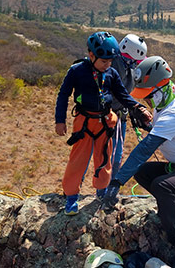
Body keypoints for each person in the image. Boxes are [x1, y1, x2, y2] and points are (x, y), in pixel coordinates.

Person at [101, 56, 175, 268]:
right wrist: (148, 125)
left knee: (161, 185)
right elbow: (162, 135)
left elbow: (144, 150)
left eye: (148, 97)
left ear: (160, 89)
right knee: (144, 172)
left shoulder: (174, 113)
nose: (147, 102)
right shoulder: (163, 107)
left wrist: (117, 181)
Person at [54, 31, 152, 216]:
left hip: (105, 122)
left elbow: (123, 95)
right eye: (104, 61)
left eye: (110, 61)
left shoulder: (111, 72)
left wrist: (138, 108)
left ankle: (101, 193)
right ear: (91, 55)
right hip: (84, 121)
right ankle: (72, 197)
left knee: (104, 160)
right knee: (78, 160)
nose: (108, 65)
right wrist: (60, 121)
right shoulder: (77, 71)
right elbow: (63, 95)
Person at [110, 34, 147, 179]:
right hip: (109, 114)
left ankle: (110, 186)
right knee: (108, 155)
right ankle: (105, 189)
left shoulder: (128, 66)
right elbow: (119, 93)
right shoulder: (114, 66)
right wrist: (135, 106)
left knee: (116, 155)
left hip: (120, 114)